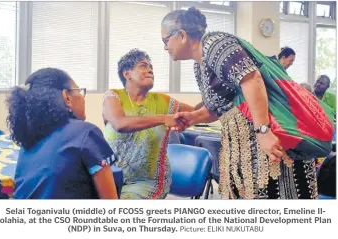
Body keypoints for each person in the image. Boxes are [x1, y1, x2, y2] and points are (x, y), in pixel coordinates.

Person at [161, 7, 320, 199]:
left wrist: (264, 131)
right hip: (241, 150)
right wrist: (194, 117)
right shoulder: (199, 64)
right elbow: (219, 107)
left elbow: (252, 79)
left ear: (182, 35)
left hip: (268, 146)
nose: (165, 47)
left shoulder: (214, 43)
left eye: (166, 40)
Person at [7, 68, 118, 199]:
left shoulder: (28, 142)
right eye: (79, 91)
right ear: (66, 97)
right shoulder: (86, 133)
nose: (82, 97)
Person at [102, 49, 194, 199]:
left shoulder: (163, 101)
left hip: (147, 182)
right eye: (143, 66)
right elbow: (120, 124)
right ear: (127, 74)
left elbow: (196, 113)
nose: (150, 70)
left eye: (151, 67)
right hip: (112, 177)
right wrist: (164, 118)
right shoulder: (113, 97)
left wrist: (214, 93)